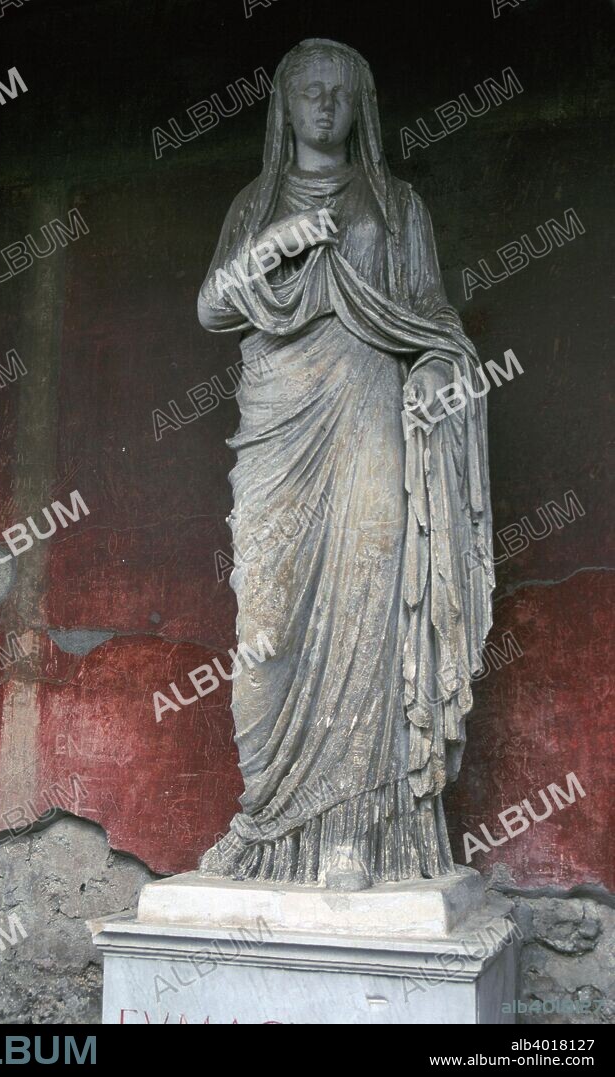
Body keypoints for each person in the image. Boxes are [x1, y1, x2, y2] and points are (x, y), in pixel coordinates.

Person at [197, 39, 494, 890]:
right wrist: (280, 240)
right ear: (283, 105)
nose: (323, 105)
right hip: (278, 432)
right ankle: (264, 822)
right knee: (268, 621)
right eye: (307, 91)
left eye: (339, 92)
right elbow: (212, 305)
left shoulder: (398, 207)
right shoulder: (254, 205)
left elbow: (434, 316)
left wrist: (438, 371)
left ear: (359, 106)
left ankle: (350, 834)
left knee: (367, 607)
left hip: (369, 419)